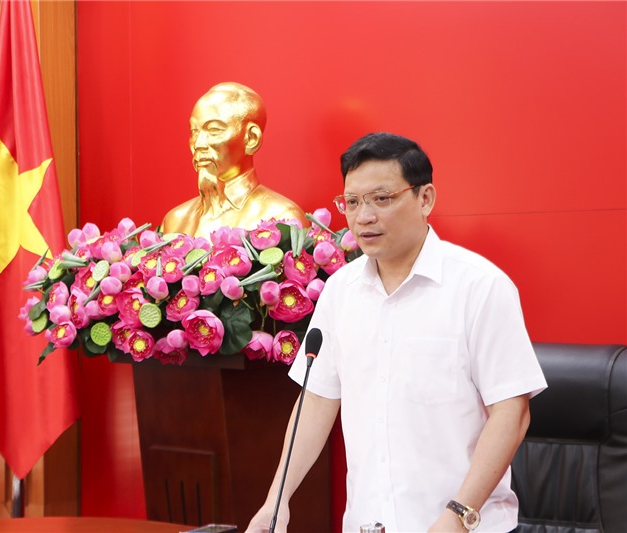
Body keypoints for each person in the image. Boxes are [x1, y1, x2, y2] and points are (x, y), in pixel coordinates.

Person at [246, 132, 547, 532]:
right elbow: (316, 401)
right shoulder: (340, 291)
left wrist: (459, 515)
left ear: (425, 198)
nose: (363, 217)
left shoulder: (480, 287)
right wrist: (276, 501)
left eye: (381, 199)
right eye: (352, 202)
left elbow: (512, 411)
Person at [160, 82, 307, 237]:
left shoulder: (282, 219)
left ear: (251, 138)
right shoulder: (175, 221)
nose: (198, 144)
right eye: (194, 132)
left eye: (214, 130)